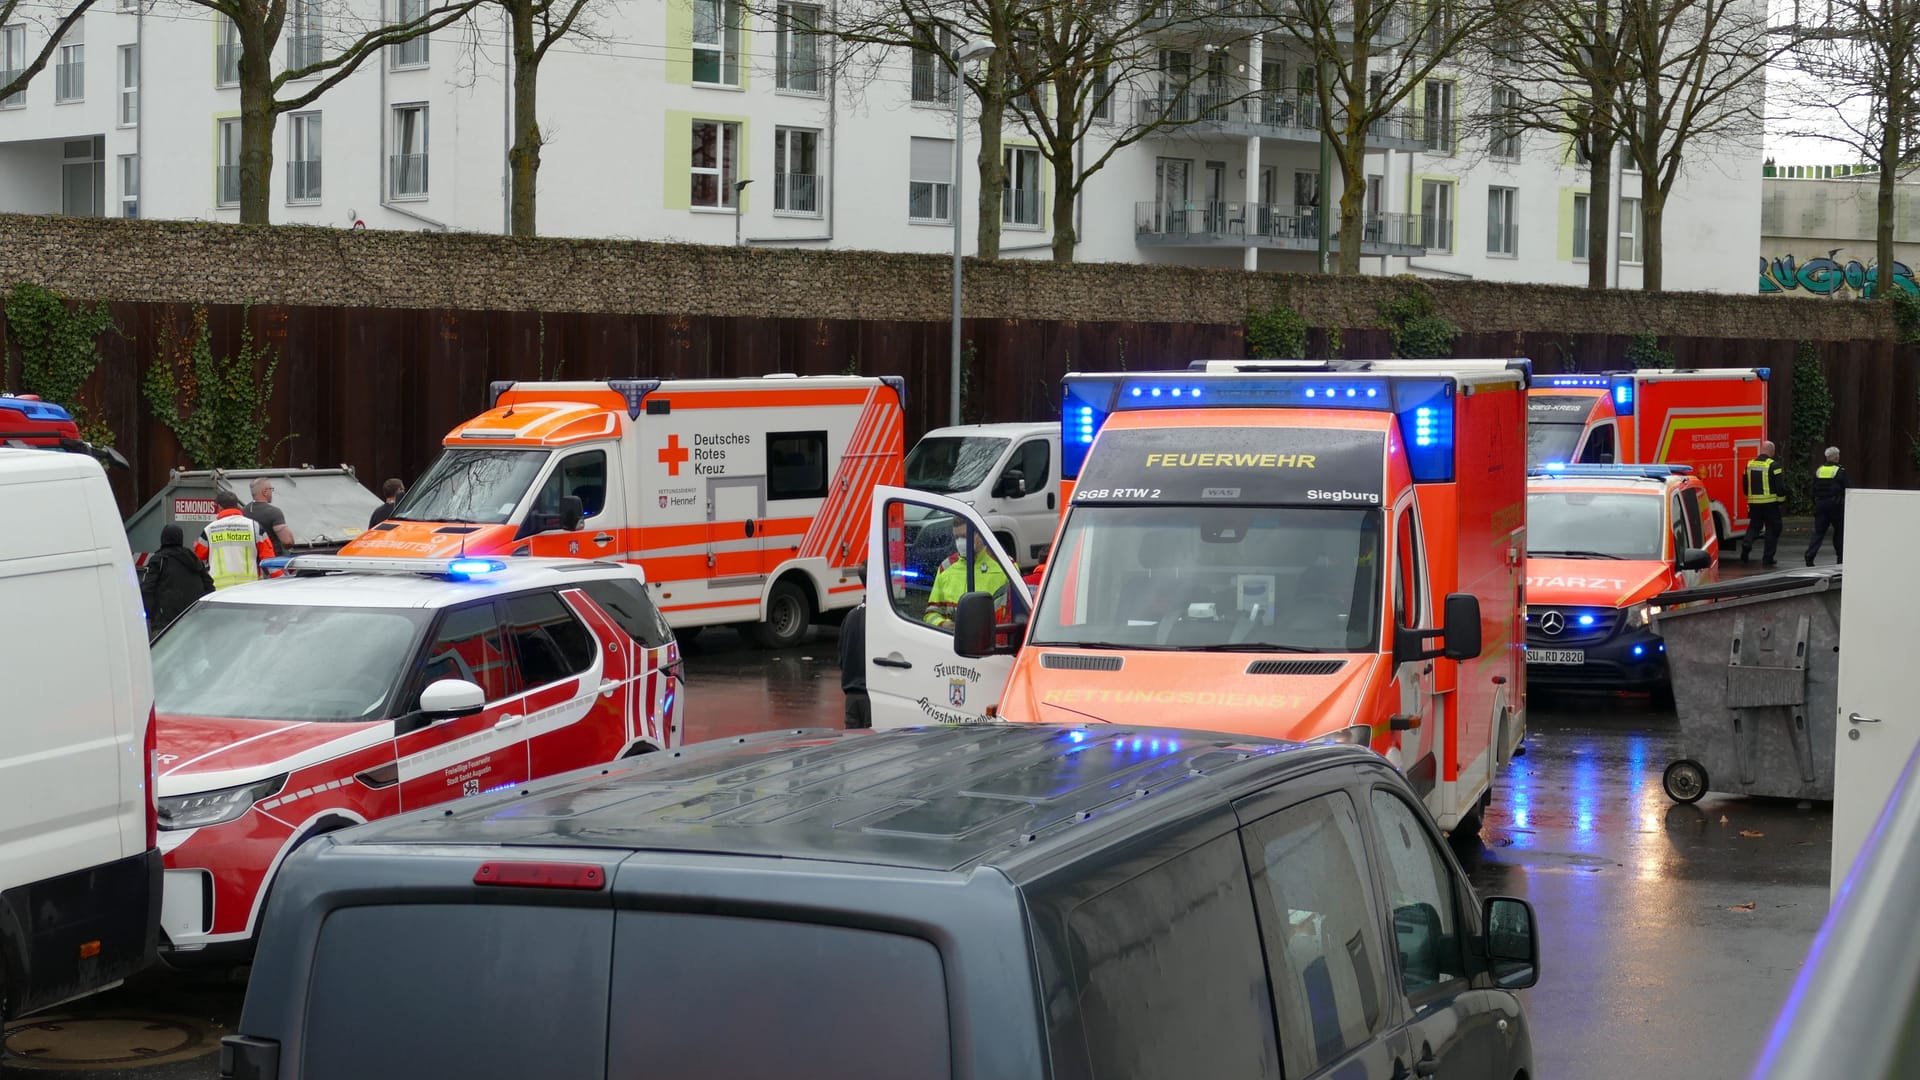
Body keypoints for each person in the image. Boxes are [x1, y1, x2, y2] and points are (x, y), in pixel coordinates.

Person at [924, 520, 1010, 631]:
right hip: (951, 640)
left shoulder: (1004, 566)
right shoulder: (946, 567)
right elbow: (931, 612)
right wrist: (942, 624)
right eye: (956, 537)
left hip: (989, 641)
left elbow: (1012, 616)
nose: (960, 542)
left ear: (980, 534)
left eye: (964, 536)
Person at [140, 524, 213, 639]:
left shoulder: (159, 560)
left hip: (166, 623)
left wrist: (151, 617)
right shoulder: (193, 559)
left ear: (163, 539)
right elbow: (209, 586)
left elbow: (147, 589)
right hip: (193, 619)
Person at [195, 490, 276, 590]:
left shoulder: (209, 530)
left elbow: (197, 560)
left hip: (219, 591)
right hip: (249, 589)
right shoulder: (254, 527)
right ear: (236, 505)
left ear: (219, 507)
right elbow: (269, 560)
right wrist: (280, 582)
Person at [1739, 440, 1787, 567]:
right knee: (1773, 529)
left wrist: (1749, 498)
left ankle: (1747, 543)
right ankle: (1768, 558)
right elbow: (1780, 487)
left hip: (1754, 503)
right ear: (1772, 451)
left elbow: (1744, 484)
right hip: (1770, 503)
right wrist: (1781, 501)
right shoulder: (1774, 466)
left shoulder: (1749, 465)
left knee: (1754, 526)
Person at [837, 566, 870, 730]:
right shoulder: (882, 618)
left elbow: (841, 659)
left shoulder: (850, 617)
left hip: (852, 697)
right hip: (872, 696)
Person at [1805, 446, 1847, 566]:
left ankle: (1810, 555)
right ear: (1835, 457)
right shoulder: (1840, 471)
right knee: (1839, 532)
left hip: (1820, 504)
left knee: (1818, 532)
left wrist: (1816, 503)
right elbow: (1847, 488)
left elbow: (1813, 489)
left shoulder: (1819, 470)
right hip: (1835, 506)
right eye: (1838, 455)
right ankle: (1840, 558)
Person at [246, 477, 295, 557]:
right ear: (265, 492)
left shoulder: (244, 511)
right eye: (271, 489)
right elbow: (288, 541)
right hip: (271, 561)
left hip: (251, 559)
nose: (272, 492)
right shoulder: (273, 512)